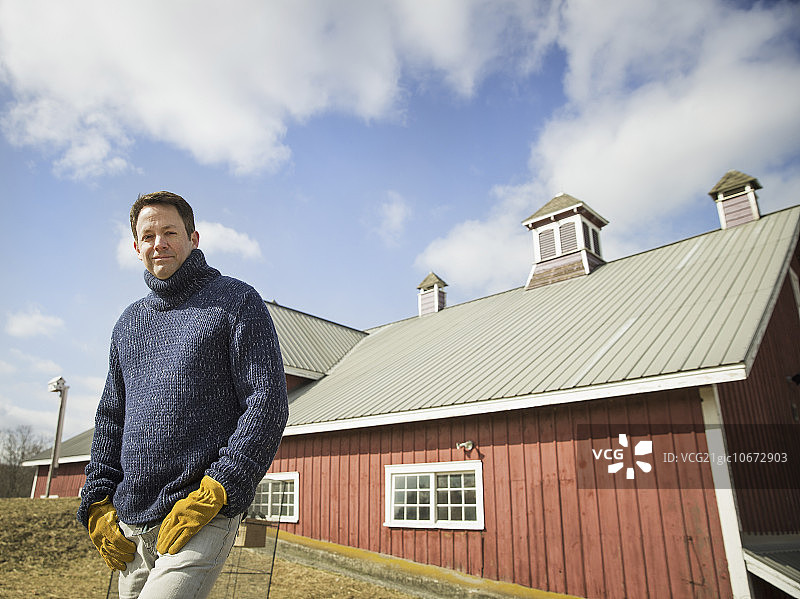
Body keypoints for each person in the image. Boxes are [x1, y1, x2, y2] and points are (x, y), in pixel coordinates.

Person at [77, 191, 289, 598]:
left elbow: (266, 402)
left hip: (200, 511)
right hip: (132, 521)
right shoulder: (128, 323)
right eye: (149, 235)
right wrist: (97, 501)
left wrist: (221, 486)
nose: (160, 243)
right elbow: (110, 418)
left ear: (194, 238)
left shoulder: (236, 301)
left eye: (170, 231)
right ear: (136, 248)